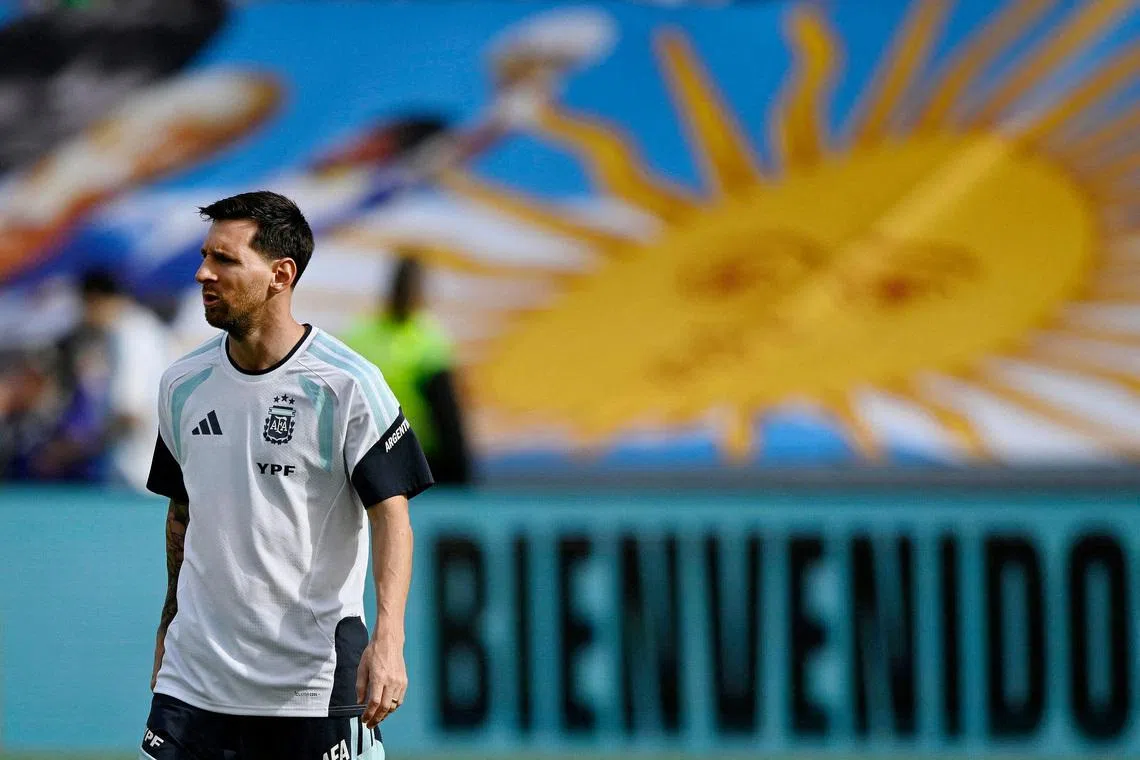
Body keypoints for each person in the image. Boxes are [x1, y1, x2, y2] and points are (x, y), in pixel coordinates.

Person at [142, 191, 433, 759]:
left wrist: (389, 638)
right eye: (205, 256)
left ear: (281, 274)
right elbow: (182, 514)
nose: (203, 273)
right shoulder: (181, 384)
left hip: (312, 687)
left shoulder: (348, 384)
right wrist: (167, 625)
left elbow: (392, 517)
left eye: (225, 259)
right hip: (194, 682)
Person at [343, 254, 472, 485]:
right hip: (380, 457)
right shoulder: (427, 340)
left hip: (408, 458)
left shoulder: (428, 339)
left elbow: (448, 418)